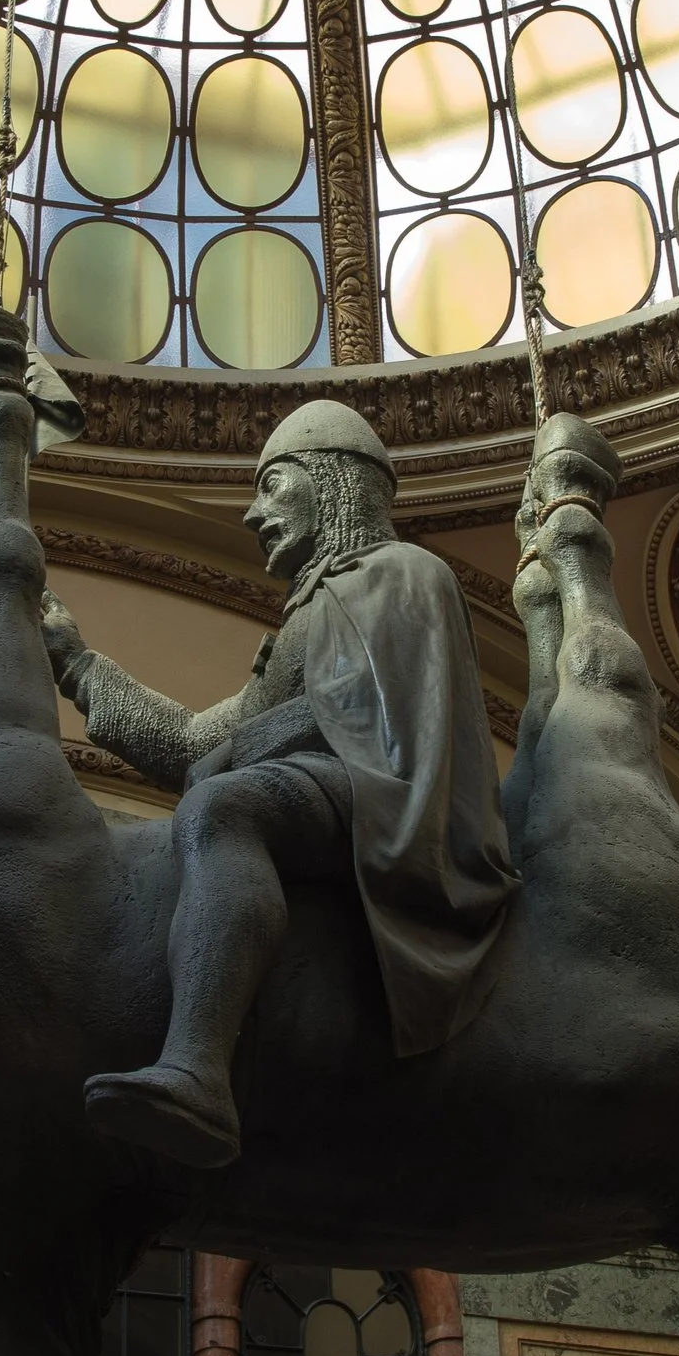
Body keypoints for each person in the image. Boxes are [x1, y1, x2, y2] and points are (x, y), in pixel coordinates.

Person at [41, 398, 515, 1164]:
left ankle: (198, 1068)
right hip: (332, 791)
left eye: (274, 485)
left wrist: (238, 756)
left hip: (390, 803)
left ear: (331, 483)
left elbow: (366, 722)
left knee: (226, 806)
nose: (253, 513)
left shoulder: (406, 574)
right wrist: (79, 664)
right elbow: (201, 737)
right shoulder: (307, 614)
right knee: (216, 792)